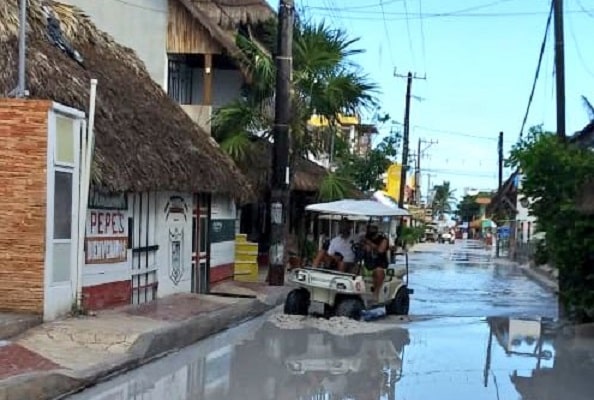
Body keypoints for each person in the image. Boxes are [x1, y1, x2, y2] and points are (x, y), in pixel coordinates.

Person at [362, 222, 390, 303]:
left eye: (372, 228)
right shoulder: (365, 238)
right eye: (369, 228)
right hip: (367, 263)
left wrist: (369, 243)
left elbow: (381, 250)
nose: (370, 230)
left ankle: (375, 294)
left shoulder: (383, 239)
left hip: (380, 264)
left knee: (378, 272)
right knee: (353, 268)